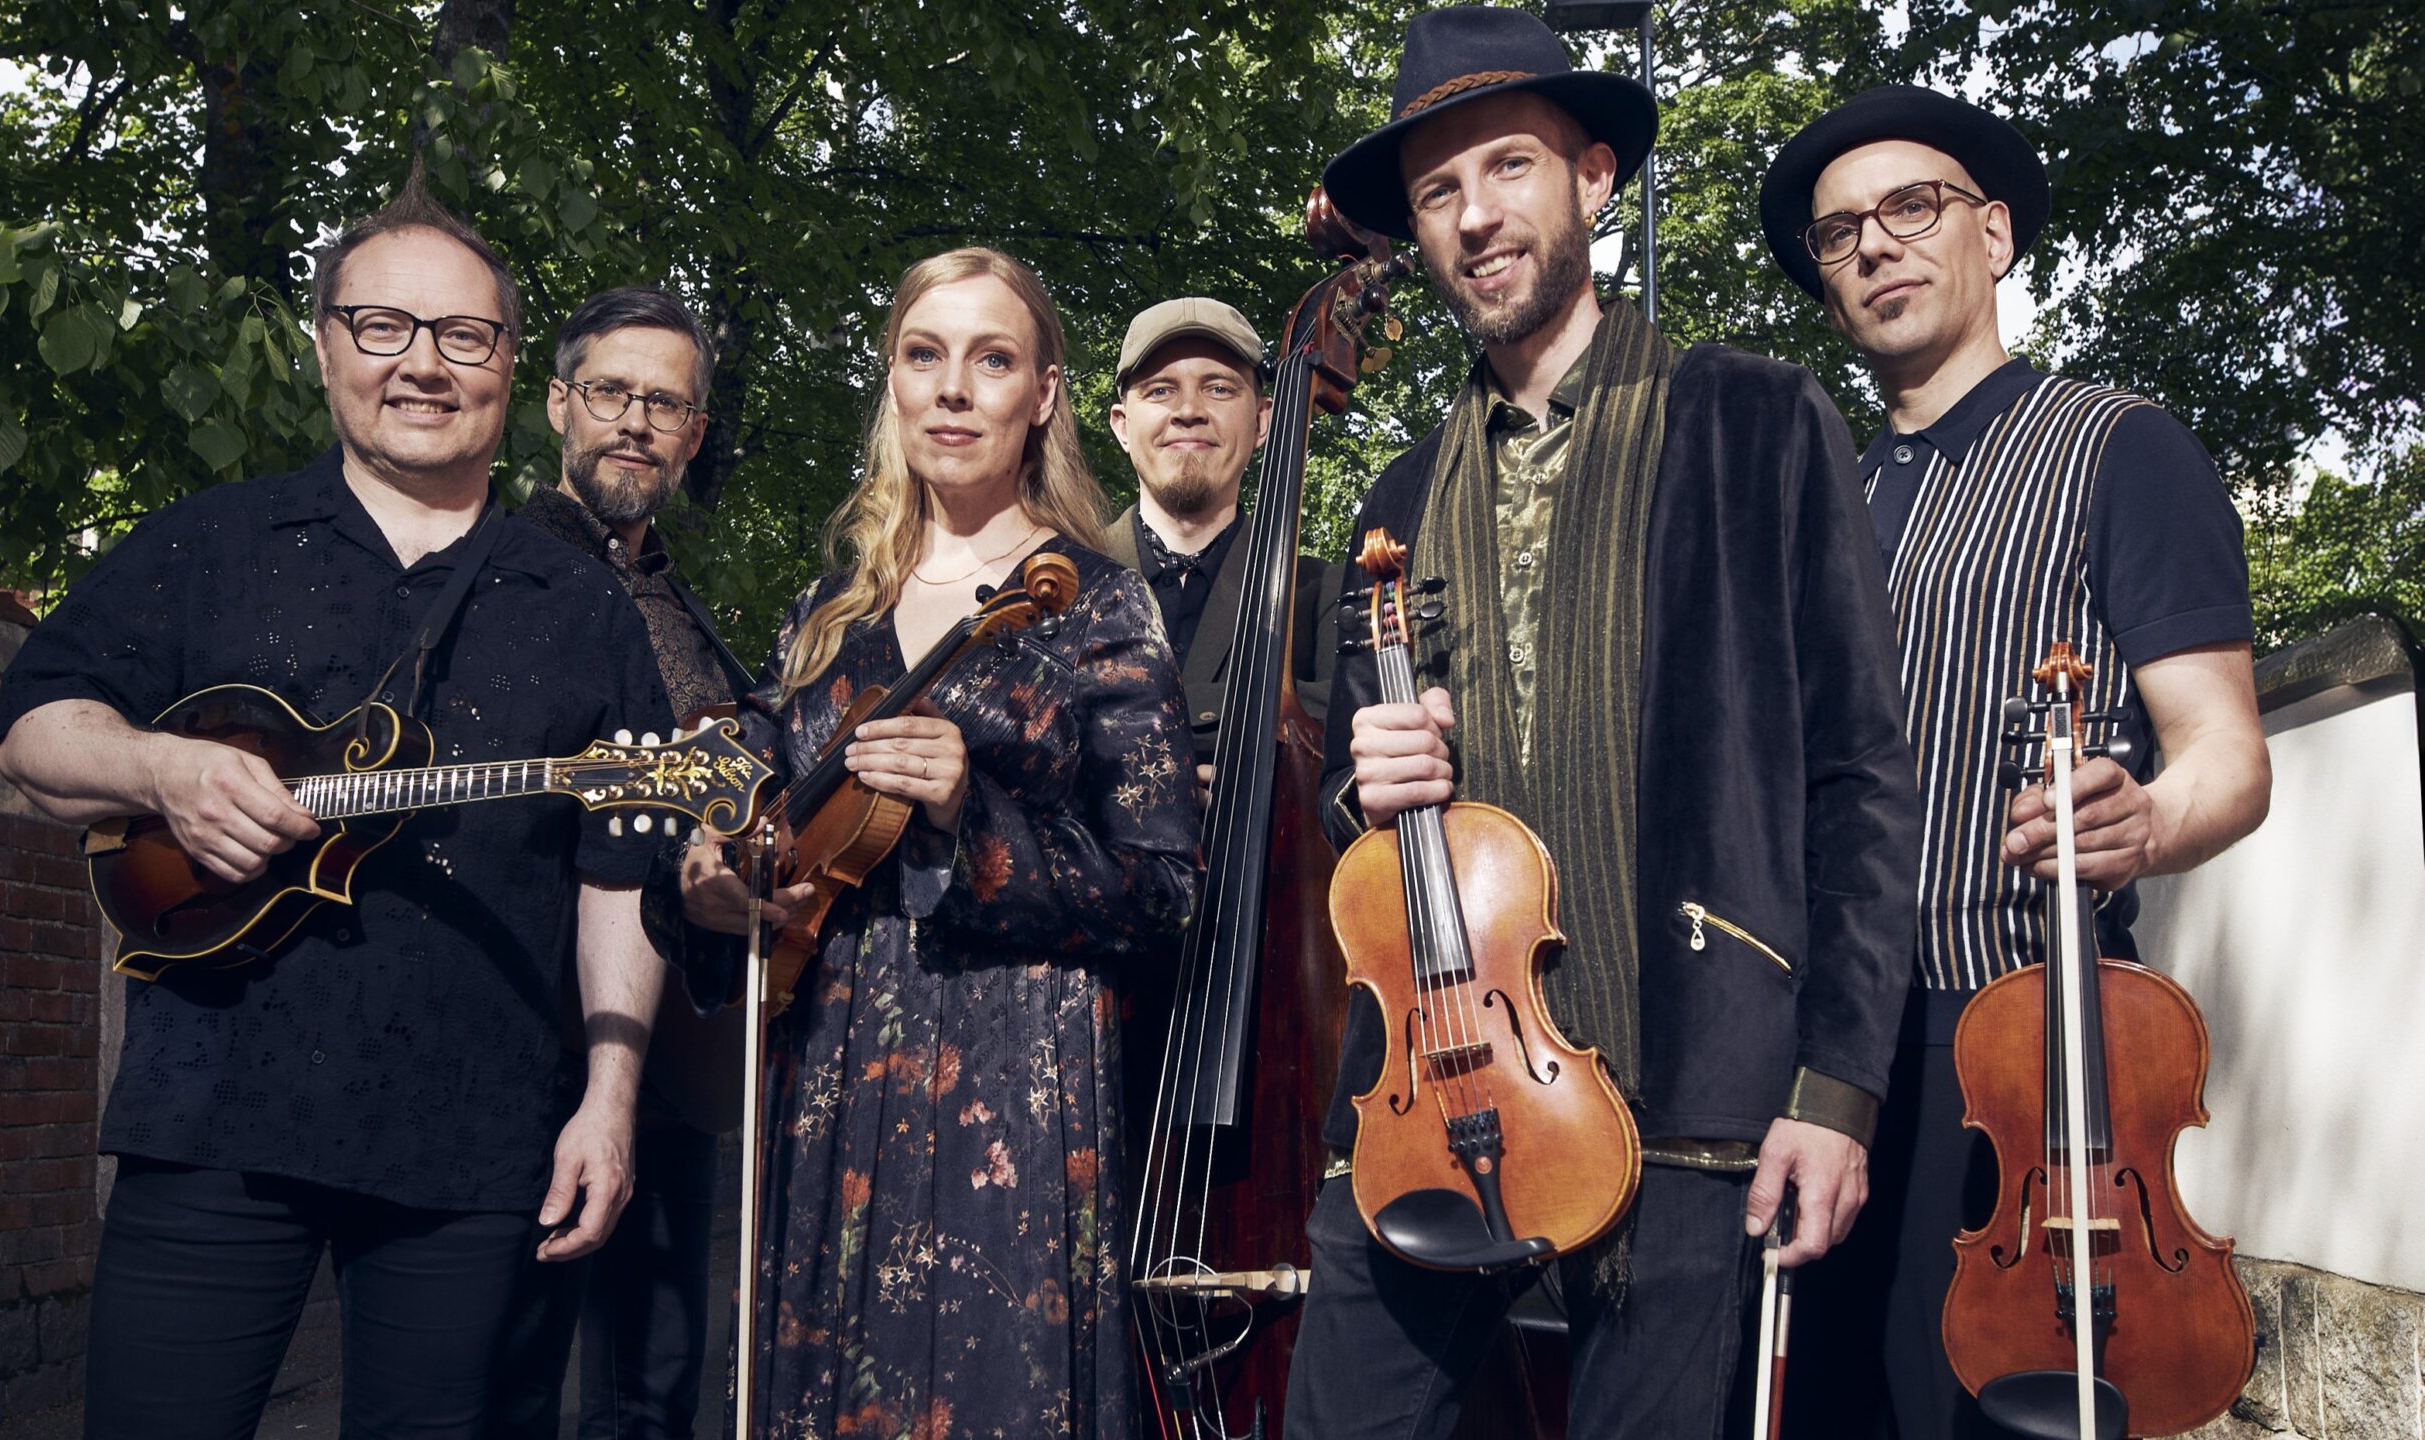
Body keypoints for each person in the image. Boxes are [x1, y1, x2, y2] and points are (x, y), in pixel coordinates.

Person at [1277, 9, 1923, 1438]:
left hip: (1697, 1068)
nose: (1472, 217)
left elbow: (1865, 778)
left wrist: (1839, 1088)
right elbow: (1360, 832)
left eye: (1506, 168)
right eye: (1438, 192)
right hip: (1428, 1091)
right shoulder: (1395, 495)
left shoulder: (1758, 421)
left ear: (1593, 179)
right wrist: (1358, 788)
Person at [0, 180, 673, 1440]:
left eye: (463, 336)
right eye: (382, 325)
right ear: (324, 345)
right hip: (209, 1119)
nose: (423, 365)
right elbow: (32, 732)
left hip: (477, 1143)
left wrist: (610, 1100)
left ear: (512, 366)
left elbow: (617, 870)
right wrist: (161, 771)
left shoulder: (581, 610)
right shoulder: (210, 544)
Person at [1757, 86, 2272, 1438]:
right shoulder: (1833, 499)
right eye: (1839, 234)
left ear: (1993, 234)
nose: (1875, 245)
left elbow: (2228, 755)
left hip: (2023, 1053)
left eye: (1911, 207)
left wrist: (2147, 822)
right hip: (1833, 1056)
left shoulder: (2119, 446)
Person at [671, 246, 1198, 1436]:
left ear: (1044, 396)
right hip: (833, 1057)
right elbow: (759, 801)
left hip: (1020, 1073)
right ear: (894, 385)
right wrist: (711, 868)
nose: (953, 390)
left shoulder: (1098, 603)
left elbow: (1165, 892)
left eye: (992, 359)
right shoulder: (830, 612)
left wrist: (978, 816)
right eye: (925, 356)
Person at [492, 284, 758, 1440]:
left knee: (655, 1382)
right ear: (557, 404)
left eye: (665, 402)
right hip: (520, 1028)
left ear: (694, 432)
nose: (636, 422)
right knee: (506, 1370)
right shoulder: (489, 573)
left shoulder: (687, 613)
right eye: (610, 392)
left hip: (674, 1046)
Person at [1100, 295, 1340, 773]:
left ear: (1263, 421)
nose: (1189, 410)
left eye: (1220, 389)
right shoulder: (1060, 584)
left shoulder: (1323, 597)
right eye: (1160, 391)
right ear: (1123, 426)